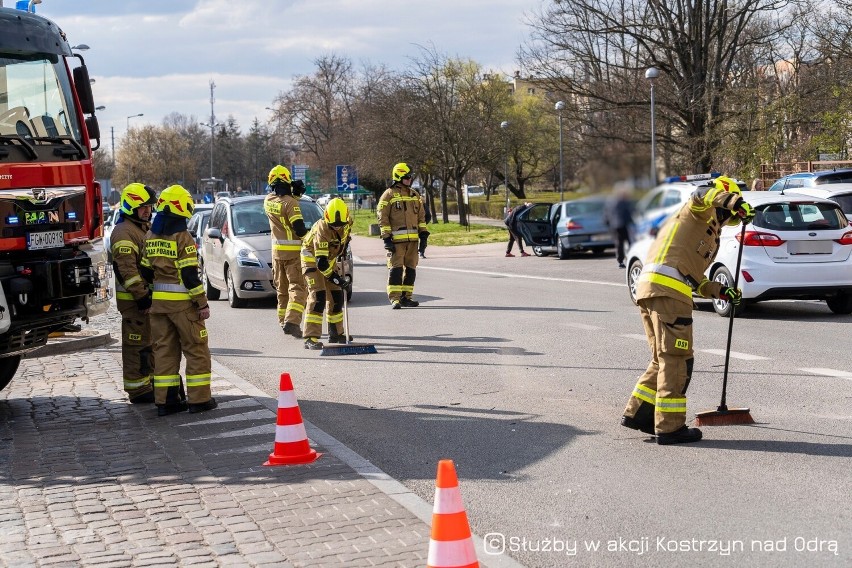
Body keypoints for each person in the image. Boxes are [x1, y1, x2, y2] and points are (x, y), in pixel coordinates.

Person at [620, 175, 754, 445]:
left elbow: (694, 277)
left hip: (652, 290)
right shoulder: (696, 211)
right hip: (667, 294)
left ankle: (640, 414)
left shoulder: (704, 233)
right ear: (723, 201)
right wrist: (735, 200)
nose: (728, 219)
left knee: (662, 358)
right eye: (728, 213)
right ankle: (670, 427)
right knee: (677, 358)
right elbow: (702, 194)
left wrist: (719, 290)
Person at [141, 184, 217, 416]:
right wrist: (202, 303)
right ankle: (199, 400)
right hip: (183, 306)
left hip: (158, 306)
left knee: (164, 352)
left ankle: (167, 402)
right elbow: (190, 276)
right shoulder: (182, 237)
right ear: (179, 205)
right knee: (196, 350)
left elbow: (144, 271)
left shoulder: (150, 235)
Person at [111, 183, 157, 404]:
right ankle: (137, 390)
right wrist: (141, 296)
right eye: (142, 207)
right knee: (135, 346)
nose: (147, 211)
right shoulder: (124, 232)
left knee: (148, 344)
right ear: (130, 206)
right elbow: (127, 270)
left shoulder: (140, 227)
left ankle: (148, 382)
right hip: (134, 302)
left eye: (149, 206)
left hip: (143, 300)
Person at [300, 198, 353, 349]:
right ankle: (310, 337)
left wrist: (344, 246)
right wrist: (336, 279)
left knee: (336, 297)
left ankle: (336, 332)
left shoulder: (347, 222)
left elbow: (345, 236)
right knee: (318, 297)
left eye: (340, 225)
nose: (337, 228)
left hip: (328, 261)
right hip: (312, 261)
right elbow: (321, 263)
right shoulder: (322, 229)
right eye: (333, 226)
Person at [264, 165, 308, 338]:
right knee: (297, 288)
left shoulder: (268, 200)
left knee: (282, 290)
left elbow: (282, 204)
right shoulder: (291, 203)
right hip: (293, 254)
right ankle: (292, 321)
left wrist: (293, 194)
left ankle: (283, 321)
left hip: (276, 254)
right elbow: (299, 228)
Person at [377, 162, 428, 308]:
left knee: (411, 270)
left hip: (413, 241)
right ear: (398, 177)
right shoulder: (388, 195)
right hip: (396, 242)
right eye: (407, 177)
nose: (410, 179)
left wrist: (423, 236)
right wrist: (386, 238)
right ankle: (395, 299)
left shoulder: (414, 194)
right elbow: (382, 217)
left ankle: (407, 297)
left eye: (410, 177)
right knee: (396, 270)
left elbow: (421, 218)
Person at [604, 185, 635, 268]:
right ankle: (631, 258)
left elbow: (607, 214)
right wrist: (633, 222)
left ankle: (620, 261)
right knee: (630, 242)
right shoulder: (624, 202)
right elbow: (628, 214)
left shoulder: (611, 202)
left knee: (619, 243)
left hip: (614, 226)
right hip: (623, 225)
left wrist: (607, 223)